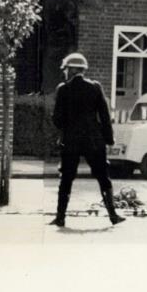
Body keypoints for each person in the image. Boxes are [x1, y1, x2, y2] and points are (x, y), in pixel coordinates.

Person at [50, 52, 125, 227]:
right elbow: (105, 116)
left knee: (66, 178)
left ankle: (60, 217)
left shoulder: (63, 89)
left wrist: (66, 128)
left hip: (71, 141)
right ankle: (113, 215)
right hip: (94, 140)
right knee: (103, 177)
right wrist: (109, 139)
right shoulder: (95, 87)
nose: (65, 72)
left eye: (66, 69)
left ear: (72, 69)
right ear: (82, 70)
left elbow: (57, 119)